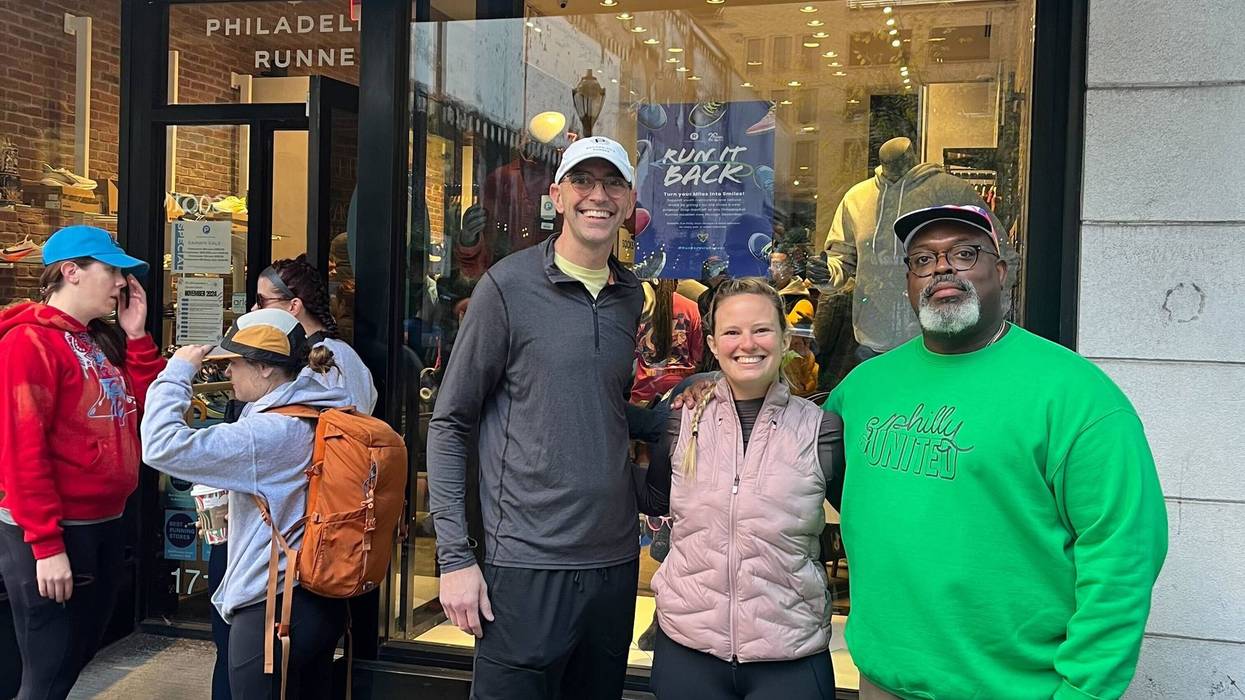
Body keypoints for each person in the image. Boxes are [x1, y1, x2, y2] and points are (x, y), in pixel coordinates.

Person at [823, 204, 1167, 699]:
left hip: (1014, 689)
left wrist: (1085, 691)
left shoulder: (1075, 395)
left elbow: (1124, 552)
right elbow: (825, 482)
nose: (941, 267)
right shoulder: (862, 389)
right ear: (908, 283)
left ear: (1000, 271)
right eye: (922, 259)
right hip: (882, 682)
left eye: (964, 253)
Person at [427, 136, 646, 700]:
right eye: (583, 182)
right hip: (524, 564)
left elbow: (596, 406)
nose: (597, 196)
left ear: (628, 201)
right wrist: (454, 558)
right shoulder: (506, 287)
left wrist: (685, 407)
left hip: (614, 565)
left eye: (612, 184)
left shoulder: (630, 295)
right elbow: (451, 422)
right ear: (556, 195)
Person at [635, 277, 843, 699]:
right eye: (732, 332)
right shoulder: (681, 422)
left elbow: (864, 527)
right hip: (688, 652)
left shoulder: (820, 430)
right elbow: (653, 498)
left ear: (786, 339)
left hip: (790, 658)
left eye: (762, 330)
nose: (747, 343)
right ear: (712, 344)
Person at [141, 309, 350, 699]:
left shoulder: (267, 432)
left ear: (266, 369)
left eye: (235, 363)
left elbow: (159, 445)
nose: (228, 373)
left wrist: (176, 373)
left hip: (271, 608)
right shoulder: (324, 407)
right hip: (319, 598)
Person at [0, 225, 164, 699]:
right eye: (111, 270)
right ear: (71, 272)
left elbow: (146, 413)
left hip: (104, 523)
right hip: (54, 530)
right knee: (48, 672)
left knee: (70, 661)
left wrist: (137, 337)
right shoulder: (27, 343)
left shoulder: (95, 340)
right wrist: (46, 546)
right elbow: (21, 450)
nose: (121, 283)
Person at [255, 255, 377, 414]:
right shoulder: (338, 352)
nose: (254, 309)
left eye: (261, 300)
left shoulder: (326, 359)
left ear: (294, 306)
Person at [631, 279, 703, 406]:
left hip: (643, 397)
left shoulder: (637, 307)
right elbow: (698, 358)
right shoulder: (691, 309)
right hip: (682, 398)